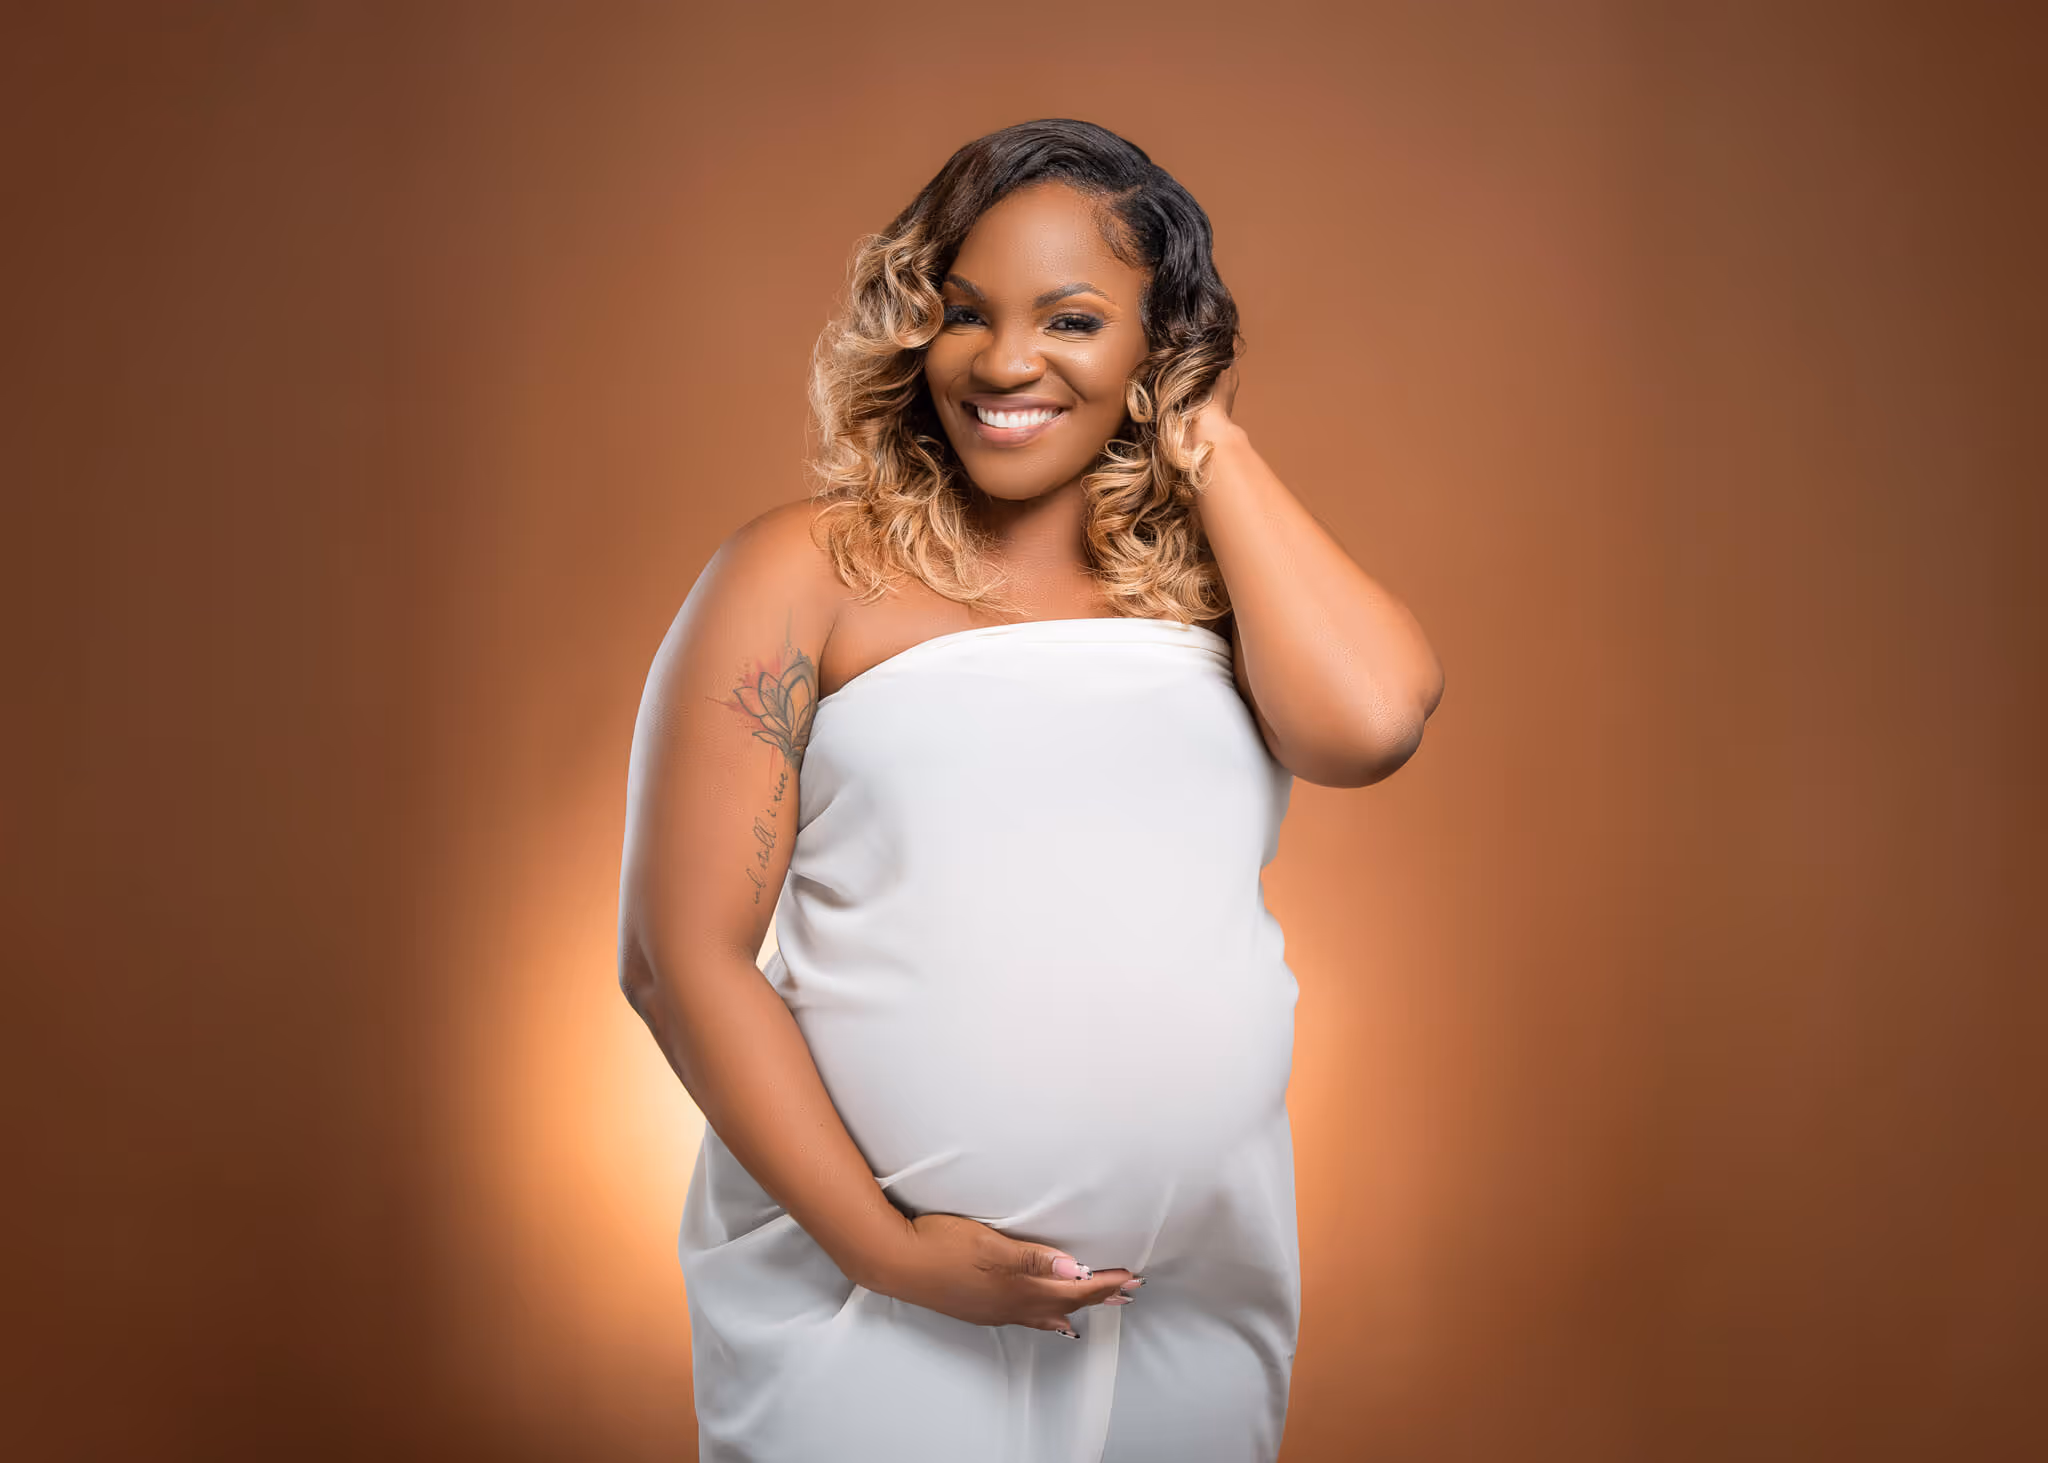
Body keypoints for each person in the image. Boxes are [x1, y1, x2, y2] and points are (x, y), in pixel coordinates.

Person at [617, 118, 1443, 1463]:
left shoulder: (1219, 585)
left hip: (1186, 1304)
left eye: (1072, 319)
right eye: (964, 312)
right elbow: (676, 956)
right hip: (869, 1301)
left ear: (1160, 345)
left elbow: (1373, 721)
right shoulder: (806, 572)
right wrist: (885, 1251)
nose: (1005, 362)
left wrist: (1207, 438)